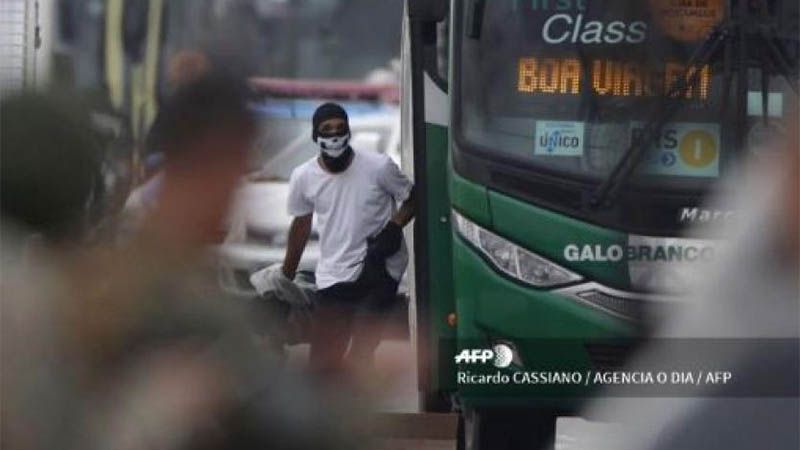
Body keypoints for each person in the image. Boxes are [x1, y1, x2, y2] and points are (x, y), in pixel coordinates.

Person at [281, 102, 415, 374]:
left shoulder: (379, 167)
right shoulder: (304, 177)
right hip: (334, 273)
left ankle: (358, 404)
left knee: (361, 352)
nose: (334, 135)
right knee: (323, 361)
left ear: (349, 132)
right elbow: (301, 226)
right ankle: (328, 409)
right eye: (327, 130)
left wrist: (394, 227)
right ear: (315, 137)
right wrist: (285, 277)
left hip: (379, 269)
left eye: (340, 129)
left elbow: (412, 198)